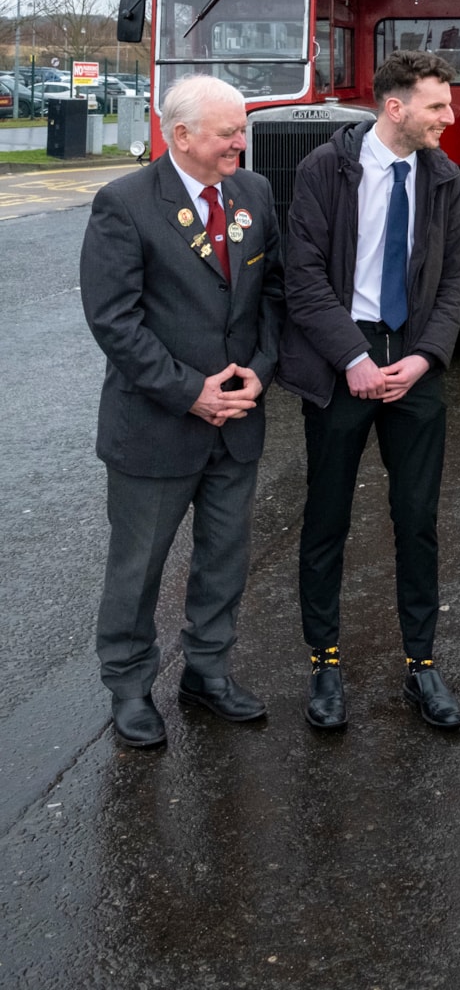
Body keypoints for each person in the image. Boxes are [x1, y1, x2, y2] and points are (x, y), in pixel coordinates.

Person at [80, 75, 284, 748]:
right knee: (138, 569)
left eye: (241, 129)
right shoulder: (125, 205)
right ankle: (130, 687)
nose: (240, 142)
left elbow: (273, 297)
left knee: (225, 559)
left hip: (237, 425)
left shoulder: (252, 193)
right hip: (158, 427)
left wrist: (257, 374)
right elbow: (115, 322)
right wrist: (190, 390)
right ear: (182, 136)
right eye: (228, 132)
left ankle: (207, 673)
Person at [278, 50, 460, 733]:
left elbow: (454, 282)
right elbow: (301, 278)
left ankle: (422, 664)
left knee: (417, 518)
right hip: (341, 363)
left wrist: (422, 359)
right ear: (397, 107)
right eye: (438, 106)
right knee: (326, 517)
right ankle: (325, 663)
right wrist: (353, 358)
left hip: (412, 362)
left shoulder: (443, 176)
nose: (451, 116)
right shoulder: (324, 170)